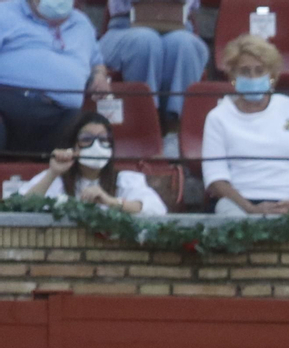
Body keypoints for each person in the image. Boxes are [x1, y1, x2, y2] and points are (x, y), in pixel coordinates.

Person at [201, 35, 289, 215]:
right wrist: (250, 209)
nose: (252, 77)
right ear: (233, 76)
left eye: (259, 71)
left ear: (272, 76)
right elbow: (215, 178)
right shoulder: (217, 117)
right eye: (244, 71)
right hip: (241, 204)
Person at [97, 0, 208, 159]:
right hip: (123, 27)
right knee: (145, 41)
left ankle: (173, 131)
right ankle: (148, 126)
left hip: (179, 26)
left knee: (185, 45)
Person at [0, 0, 110, 153]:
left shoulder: (82, 23)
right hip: (8, 104)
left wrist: (99, 76)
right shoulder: (4, 12)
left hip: (61, 114)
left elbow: (96, 62)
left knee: (86, 135)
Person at [23, 110, 167, 214]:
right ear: (73, 145)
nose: (96, 146)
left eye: (103, 139)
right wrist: (52, 173)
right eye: (87, 139)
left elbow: (157, 209)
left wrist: (110, 202)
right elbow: (20, 208)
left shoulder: (125, 180)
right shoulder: (57, 179)